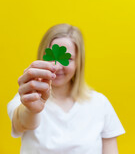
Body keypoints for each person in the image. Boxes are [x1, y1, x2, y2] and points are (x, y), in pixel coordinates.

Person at [7, 23, 126, 154]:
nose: (57, 67)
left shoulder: (100, 104)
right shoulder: (27, 98)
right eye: (51, 56)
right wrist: (31, 110)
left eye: (67, 58)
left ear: (78, 63)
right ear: (42, 56)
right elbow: (22, 122)